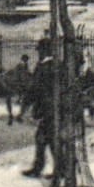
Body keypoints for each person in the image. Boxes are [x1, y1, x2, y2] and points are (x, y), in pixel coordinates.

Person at [22, 44, 56, 178]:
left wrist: (26, 105)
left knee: (43, 138)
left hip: (46, 109)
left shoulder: (42, 67)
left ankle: (40, 168)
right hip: (56, 109)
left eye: (40, 51)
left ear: (44, 51)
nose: (38, 54)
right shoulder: (58, 65)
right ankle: (59, 169)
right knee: (50, 139)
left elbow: (34, 88)